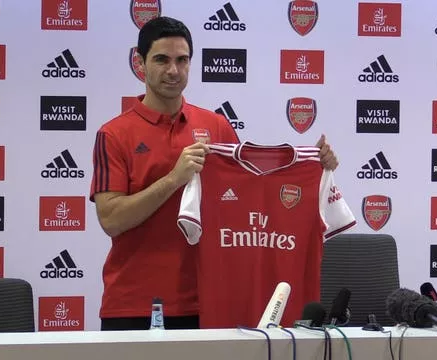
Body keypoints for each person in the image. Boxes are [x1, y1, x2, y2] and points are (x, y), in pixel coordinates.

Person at [89, 16, 339, 331]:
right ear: (140, 63)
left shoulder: (217, 126)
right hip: (133, 303)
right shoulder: (113, 134)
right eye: (161, 60)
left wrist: (316, 166)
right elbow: (111, 219)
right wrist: (173, 179)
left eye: (182, 60)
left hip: (211, 300)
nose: (173, 71)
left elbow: (252, 197)